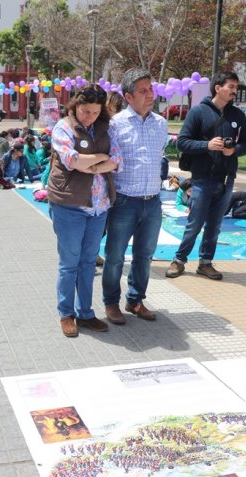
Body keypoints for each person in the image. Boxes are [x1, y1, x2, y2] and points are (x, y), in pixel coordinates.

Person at [48, 83, 120, 337]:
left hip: (99, 207)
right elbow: (72, 160)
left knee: (89, 262)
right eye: (85, 110)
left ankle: (86, 312)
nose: (89, 116)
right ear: (76, 105)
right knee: (70, 263)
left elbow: (116, 159)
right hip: (69, 205)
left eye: (95, 111)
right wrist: (100, 160)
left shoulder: (105, 128)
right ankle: (66, 313)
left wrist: (92, 163)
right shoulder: (63, 127)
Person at [166, 70, 246, 281]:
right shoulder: (198, 112)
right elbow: (182, 141)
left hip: (226, 179)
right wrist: (207, 145)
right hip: (203, 178)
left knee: (215, 225)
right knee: (195, 223)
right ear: (218, 88)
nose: (234, 91)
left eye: (236, 87)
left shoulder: (237, 115)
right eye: (230, 86)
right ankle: (179, 260)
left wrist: (235, 150)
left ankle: (205, 263)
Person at [102, 68, 169, 325]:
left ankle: (136, 300)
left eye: (151, 89)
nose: (150, 94)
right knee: (116, 255)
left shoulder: (161, 124)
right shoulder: (115, 125)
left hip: (152, 202)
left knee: (145, 255)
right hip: (124, 202)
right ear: (128, 97)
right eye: (143, 91)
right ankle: (111, 303)